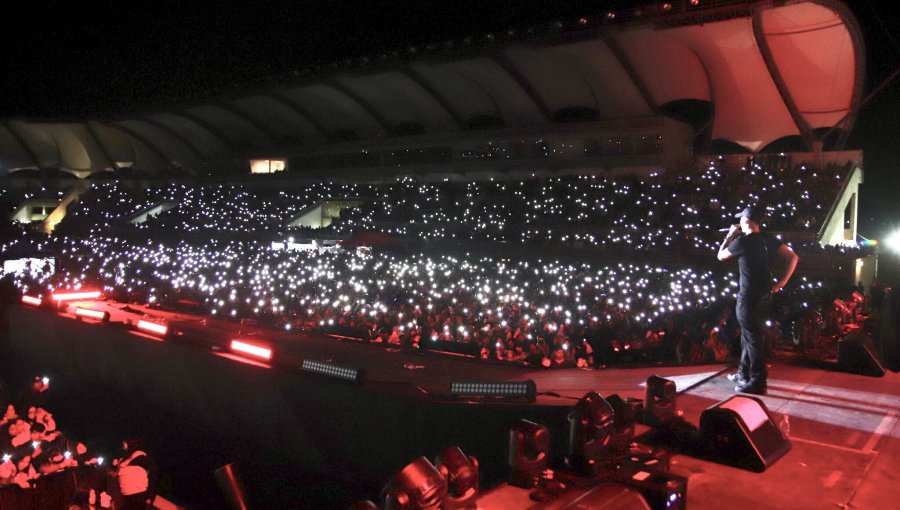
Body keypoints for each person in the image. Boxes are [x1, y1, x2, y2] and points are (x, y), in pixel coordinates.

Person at [718, 206, 799, 395]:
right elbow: (793, 257)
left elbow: (720, 256)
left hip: (748, 297)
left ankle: (758, 381)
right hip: (764, 296)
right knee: (749, 335)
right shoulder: (767, 239)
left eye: (740, 220)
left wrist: (730, 235)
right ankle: (743, 373)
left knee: (753, 339)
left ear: (746, 221)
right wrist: (782, 282)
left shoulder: (742, 242)